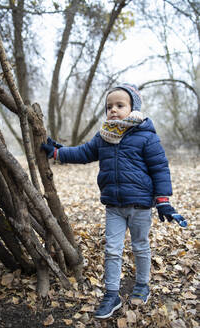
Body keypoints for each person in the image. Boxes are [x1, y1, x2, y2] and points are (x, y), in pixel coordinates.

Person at [41, 83, 186, 319]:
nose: (113, 110)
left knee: (140, 246)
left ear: (133, 108)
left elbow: (160, 168)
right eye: (109, 106)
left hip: (140, 205)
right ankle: (111, 294)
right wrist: (58, 152)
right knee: (112, 250)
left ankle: (142, 285)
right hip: (114, 207)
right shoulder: (104, 136)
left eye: (120, 105)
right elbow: (83, 153)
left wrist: (163, 200)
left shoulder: (146, 137)